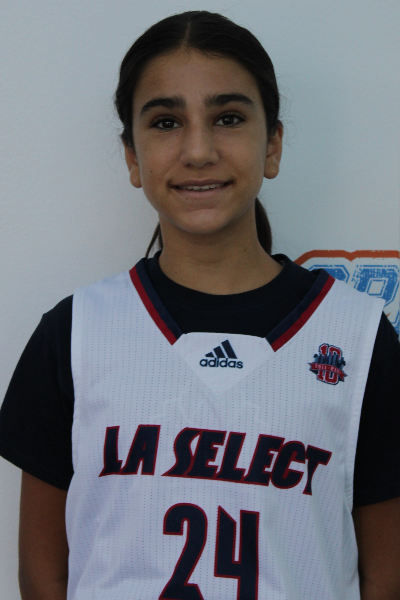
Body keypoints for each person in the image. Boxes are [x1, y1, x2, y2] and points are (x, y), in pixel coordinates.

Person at [0, 10, 399, 600]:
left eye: (228, 118)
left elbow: (384, 576)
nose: (198, 150)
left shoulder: (359, 338)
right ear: (132, 157)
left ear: (273, 145)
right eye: (166, 122)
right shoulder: (76, 334)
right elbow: (45, 576)